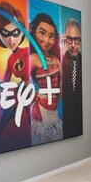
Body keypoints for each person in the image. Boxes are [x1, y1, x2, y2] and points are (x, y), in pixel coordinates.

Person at [0, 1, 30, 145]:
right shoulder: (10, 59)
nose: (11, 40)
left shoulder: (28, 52)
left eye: (15, 32)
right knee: (3, 119)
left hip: (32, 94)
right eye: (5, 33)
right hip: (19, 96)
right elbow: (5, 82)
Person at [29, 12, 63, 144]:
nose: (47, 40)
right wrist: (36, 96)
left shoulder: (56, 60)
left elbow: (61, 89)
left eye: (52, 37)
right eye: (42, 33)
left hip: (53, 111)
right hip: (40, 110)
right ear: (34, 32)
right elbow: (22, 86)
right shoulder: (32, 59)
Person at [61, 18, 83, 138]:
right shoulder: (59, 62)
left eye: (76, 40)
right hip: (65, 120)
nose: (73, 45)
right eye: (70, 39)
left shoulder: (86, 63)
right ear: (65, 39)